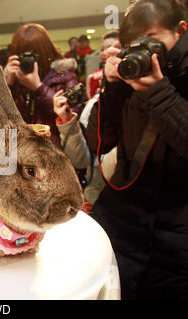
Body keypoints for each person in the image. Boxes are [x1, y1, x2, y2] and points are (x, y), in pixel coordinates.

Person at [85, 0, 188, 299]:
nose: (145, 51)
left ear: (181, 30)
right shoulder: (132, 74)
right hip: (121, 223)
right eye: (135, 44)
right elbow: (100, 143)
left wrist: (158, 92)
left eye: (152, 41)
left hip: (176, 238)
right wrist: (113, 86)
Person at [4, 23, 80, 147]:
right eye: (22, 55)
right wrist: (8, 85)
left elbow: (73, 113)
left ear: (44, 51)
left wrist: (38, 88)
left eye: (33, 54)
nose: (28, 60)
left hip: (55, 152)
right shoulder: (15, 79)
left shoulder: (64, 75)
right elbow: (1, 118)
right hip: (23, 153)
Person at [86, 31, 121, 99]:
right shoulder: (92, 77)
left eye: (109, 47)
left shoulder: (129, 75)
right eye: (102, 49)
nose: (104, 53)